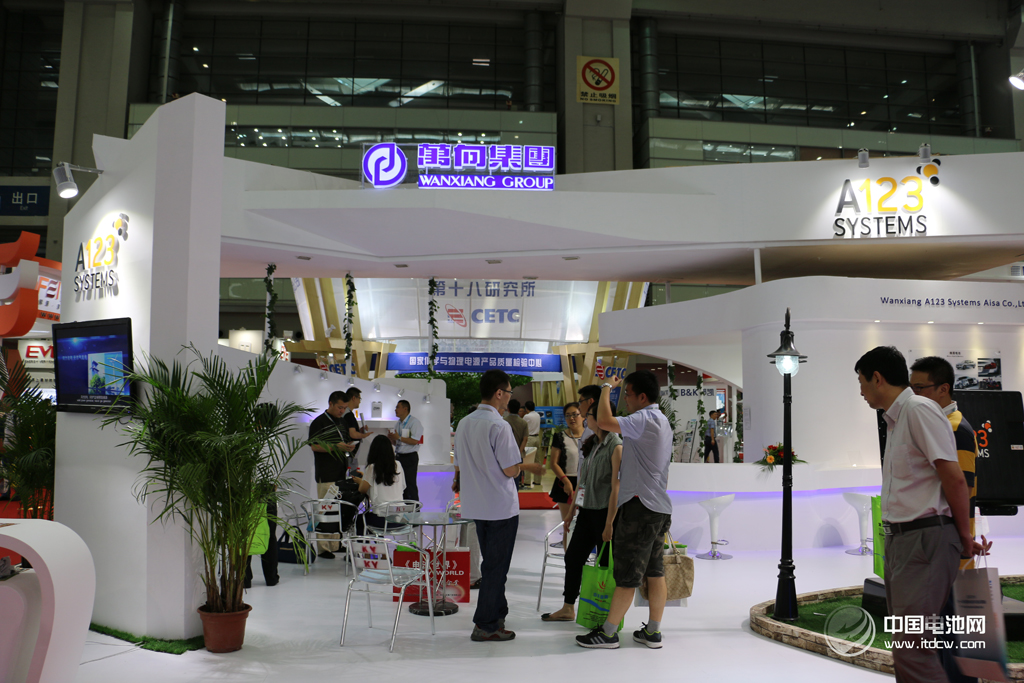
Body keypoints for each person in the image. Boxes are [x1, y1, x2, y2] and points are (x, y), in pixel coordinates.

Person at [855, 346, 990, 683]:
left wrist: (964, 536)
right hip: (905, 542)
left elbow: (955, 479)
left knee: (914, 648)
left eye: (861, 382)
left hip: (924, 540)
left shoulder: (918, 410)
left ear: (877, 378)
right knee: (907, 647)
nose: (861, 391)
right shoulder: (897, 419)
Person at [577, 370, 672, 650]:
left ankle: (608, 633)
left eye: (628, 395)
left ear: (642, 397)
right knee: (654, 571)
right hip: (657, 506)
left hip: (640, 507)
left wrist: (607, 387)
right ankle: (652, 631)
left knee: (628, 573)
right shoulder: (661, 420)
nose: (625, 400)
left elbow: (604, 421)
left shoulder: (644, 419)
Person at [453, 370, 545, 642]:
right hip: (500, 507)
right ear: (499, 393)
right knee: (496, 568)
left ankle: (497, 613)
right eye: (509, 392)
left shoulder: (464, 423)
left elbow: (458, 465)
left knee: (492, 564)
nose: (509, 398)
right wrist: (527, 467)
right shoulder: (498, 426)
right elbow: (509, 470)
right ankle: (486, 624)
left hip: (476, 505)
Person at [909, 355, 982, 683]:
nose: (914, 395)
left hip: (950, 547)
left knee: (952, 638)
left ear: (943, 389)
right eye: (911, 388)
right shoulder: (939, 425)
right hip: (942, 545)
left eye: (919, 388)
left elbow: (962, 489)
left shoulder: (956, 429)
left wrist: (963, 539)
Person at [540, 400, 622, 622]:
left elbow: (616, 487)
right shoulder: (592, 443)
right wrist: (571, 512)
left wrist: (609, 523)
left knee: (605, 564)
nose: (586, 420)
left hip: (604, 514)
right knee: (573, 558)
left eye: (590, 416)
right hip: (586, 512)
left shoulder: (616, 446)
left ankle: (606, 614)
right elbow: (583, 482)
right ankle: (568, 607)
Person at [308, 391, 356, 558]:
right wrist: (336, 447)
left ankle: (335, 544)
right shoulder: (319, 422)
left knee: (338, 510)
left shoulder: (342, 421)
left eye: (344, 408)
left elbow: (343, 441)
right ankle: (323, 548)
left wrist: (348, 446)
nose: (342, 411)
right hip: (326, 473)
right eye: (340, 407)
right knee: (324, 510)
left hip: (340, 472)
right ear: (330, 404)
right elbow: (314, 446)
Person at [351, 434, 406, 530]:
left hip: (381, 519)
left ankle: (371, 540)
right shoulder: (398, 465)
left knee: (359, 520)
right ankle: (379, 539)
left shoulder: (372, 467)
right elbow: (402, 486)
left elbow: (362, 489)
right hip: (400, 519)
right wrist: (366, 478)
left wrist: (361, 481)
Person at [549, 402, 584, 530]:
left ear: (583, 416)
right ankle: (566, 544)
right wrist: (566, 481)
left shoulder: (592, 436)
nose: (571, 418)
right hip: (565, 482)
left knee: (586, 524)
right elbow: (553, 463)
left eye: (575, 414)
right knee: (568, 525)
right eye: (568, 415)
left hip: (586, 482)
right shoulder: (560, 437)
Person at [388, 399, 423, 501]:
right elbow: (398, 443)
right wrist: (392, 439)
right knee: (400, 484)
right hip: (399, 457)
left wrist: (398, 437)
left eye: (397, 407)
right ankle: (403, 506)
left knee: (410, 484)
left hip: (409, 457)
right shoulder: (398, 423)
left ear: (405, 409)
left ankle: (414, 508)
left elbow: (415, 441)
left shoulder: (414, 422)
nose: (395, 410)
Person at [503, 398, 529, 489]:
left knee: (504, 478)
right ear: (518, 409)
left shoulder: (503, 421)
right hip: (518, 455)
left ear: (508, 409)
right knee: (516, 477)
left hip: (505, 453)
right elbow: (525, 439)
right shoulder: (523, 422)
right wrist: (518, 452)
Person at [342, 387, 373, 461]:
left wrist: (359, 431)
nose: (360, 402)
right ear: (354, 398)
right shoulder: (348, 414)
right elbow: (352, 434)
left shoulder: (347, 413)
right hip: (347, 453)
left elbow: (349, 430)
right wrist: (364, 435)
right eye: (359, 398)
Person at [522, 401, 542, 487]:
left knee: (528, 460)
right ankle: (537, 481)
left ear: (526, 408)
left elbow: (523, 426)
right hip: (537, 438)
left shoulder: (526, 416)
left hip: (529, 438)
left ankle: (527, 481)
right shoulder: (537, 415)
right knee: (537, 460)